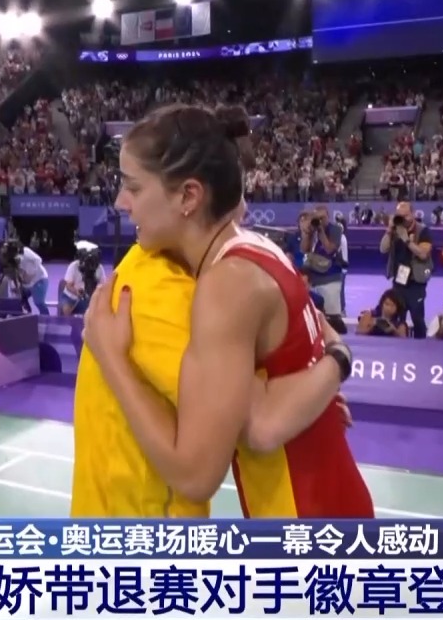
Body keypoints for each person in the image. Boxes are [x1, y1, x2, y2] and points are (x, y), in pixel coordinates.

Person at [79, 103, 372, 517]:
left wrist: (112, 358)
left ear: (189, 196)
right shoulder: (258, 248)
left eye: (134, 188)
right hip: (336, 503)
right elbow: (313, 340)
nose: (121, 202)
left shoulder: (227, 284)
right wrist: (332, 365)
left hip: (306, 521)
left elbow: (203, 470)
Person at [379, 201, 433, 338]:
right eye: (400, 215)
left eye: (406, 215)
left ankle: (421, 344)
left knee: (417, 318)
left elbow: (423, 254)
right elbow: (383, 249)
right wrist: (389, 230)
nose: (403, 219)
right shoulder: (395, 229)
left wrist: (407, 240)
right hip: (399, 281)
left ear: (413, 214)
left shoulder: (423, 230)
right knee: (398, 318)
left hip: (416, 282)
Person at [299, 204, 346, 322]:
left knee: (331, 318)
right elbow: (304, 250)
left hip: (330, 279)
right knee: (313, 317)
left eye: (322, 218)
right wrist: (307, 234)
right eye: (317, 218)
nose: (319, 221)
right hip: (313, 280)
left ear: (328, 217)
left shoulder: (335, 229)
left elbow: (329, 249)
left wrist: (320, 230)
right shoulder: (312, 229)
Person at [60, 242, 105, 316]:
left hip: (89, 297)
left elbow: (102, 286)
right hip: (71, 296)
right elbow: (68, 285)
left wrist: (93, 293)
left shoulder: (99, 268)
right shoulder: (73, 266)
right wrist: (76, 292)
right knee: (66, 310)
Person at [16, 243, 50, 315]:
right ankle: (26, 313)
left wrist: (31, 274)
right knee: (17, 297)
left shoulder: (25, 251)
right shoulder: (12, 260)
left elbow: (38, 259)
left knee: (39, 302)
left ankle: (46, 318)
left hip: (39, 279)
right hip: (26, 284)